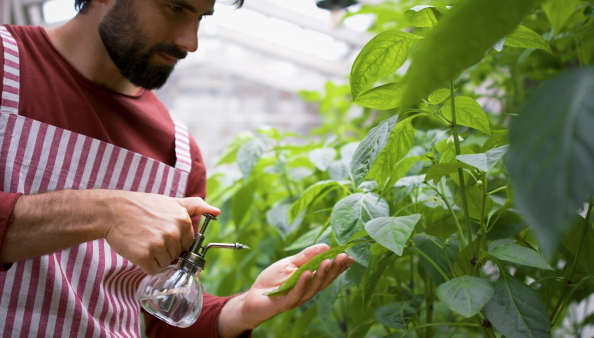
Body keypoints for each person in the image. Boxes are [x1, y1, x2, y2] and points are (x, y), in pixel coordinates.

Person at [0, 0, 354, 336]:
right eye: (175, 7)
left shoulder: (179, 152)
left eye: (201, 17)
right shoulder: (7, 64)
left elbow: (161, 319)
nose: (191, 42)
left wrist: (243, 309)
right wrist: (105, 212)